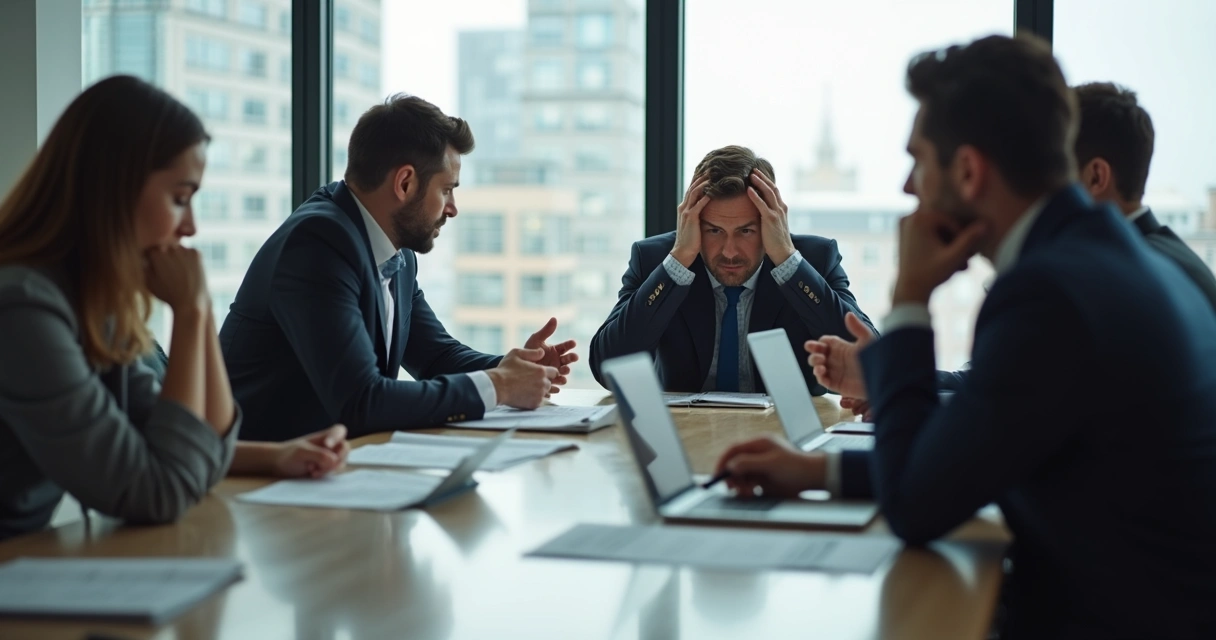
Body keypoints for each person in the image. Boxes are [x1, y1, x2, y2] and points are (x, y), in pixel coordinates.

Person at [716, 35, 1216, 638]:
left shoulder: (1047, 294)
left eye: (918, 160)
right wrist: (817, 473)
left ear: (970, 170)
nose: (907, 186)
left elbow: (918, 506)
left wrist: (910, 300)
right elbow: (969, 456)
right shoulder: (1109, 260)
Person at [220, 94, 577, 441]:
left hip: (326, 467)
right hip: (251, 480)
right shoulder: (318, 243)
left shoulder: (396, 252)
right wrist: (500, 385)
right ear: (405, 183)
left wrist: (514, 368)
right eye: (447, 190)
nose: (453, 208)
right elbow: (362, 400)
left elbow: (436, 356)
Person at [0, 75, 241, 540]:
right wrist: (189, 315)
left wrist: (202, 307)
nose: (189, 227)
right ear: (115, 188)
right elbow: (160, 490)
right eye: (179, 199)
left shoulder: (88, 303)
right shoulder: (22, 309)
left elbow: (199, 451)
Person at [589, 146, 873, 395]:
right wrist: (678, 263)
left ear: (770, 223)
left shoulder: (814, 260)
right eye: (713, 230)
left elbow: (868, 362)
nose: (729, 251)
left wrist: (788, 262)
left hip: (785, 438)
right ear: (692, 222)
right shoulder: (655, 261)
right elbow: (608, 370)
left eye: (746, 231)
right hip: (686, 438)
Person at [142, 343, 351, 479]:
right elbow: (175, 460)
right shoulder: (122, 349)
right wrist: (193, 309)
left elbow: (203, 444)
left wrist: (279, 455)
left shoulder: (138, 342)